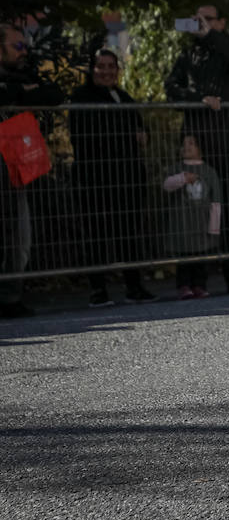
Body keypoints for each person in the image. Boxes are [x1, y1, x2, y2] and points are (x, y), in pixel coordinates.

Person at [164, 3, 229, 293]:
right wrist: (198, 98)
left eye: (207, 19)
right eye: (196, 19)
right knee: (194, 210)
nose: (201, 24)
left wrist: (211, 36)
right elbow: (171, 88)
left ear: (219, 22)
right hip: (198, 147)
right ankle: (195, 280)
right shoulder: (188, 55)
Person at [69, 49, 157, 306]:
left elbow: (141, 128)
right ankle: (98, 290)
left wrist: (142, 135)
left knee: (129, 232)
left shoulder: (124, 97)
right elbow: (85, 135)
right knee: (96, 234)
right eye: (101, 66)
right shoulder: (81, 97)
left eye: (111, 66)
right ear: (92, 69)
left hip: (127, 178)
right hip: (95, 179)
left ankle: (134, 286)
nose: (107, 71)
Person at [0, 19, 63, 318]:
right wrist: (22, 92)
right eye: (18, 46)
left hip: (14, 173)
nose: (24, 51)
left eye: (25, 45)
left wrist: (20, 92)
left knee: (19, 236)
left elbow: (53, 94)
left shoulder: (24, 74)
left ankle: (11, 297)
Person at [161, 132, 221, 299]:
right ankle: (184, 285)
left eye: (191, 144)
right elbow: (166, 185)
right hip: (182, 224)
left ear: (200, 148)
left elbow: (216, 201)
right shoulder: (176, 168)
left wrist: (214, 227)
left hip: (202, 224)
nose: (186, 147)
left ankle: (200, 285)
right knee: (184, 259)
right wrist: (182, 178)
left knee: (201, 258)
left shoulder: (208, 171)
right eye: (184, 144)